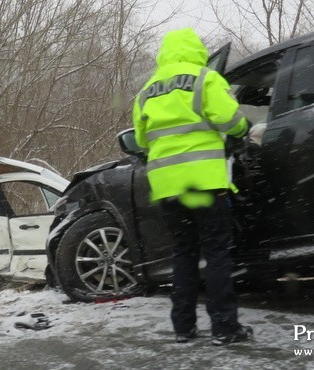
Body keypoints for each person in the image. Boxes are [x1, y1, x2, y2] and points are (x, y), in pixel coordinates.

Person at [132, 28, 253, 346]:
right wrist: (244, 130)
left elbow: (142, 139)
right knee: (216, 253)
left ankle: (183, 328)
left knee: (183, 254)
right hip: (204, 182)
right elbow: (229, 119)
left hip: (167, 186)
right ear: (196, 50)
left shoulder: (147, 90)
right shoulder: (205, 78)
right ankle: (225, 328)